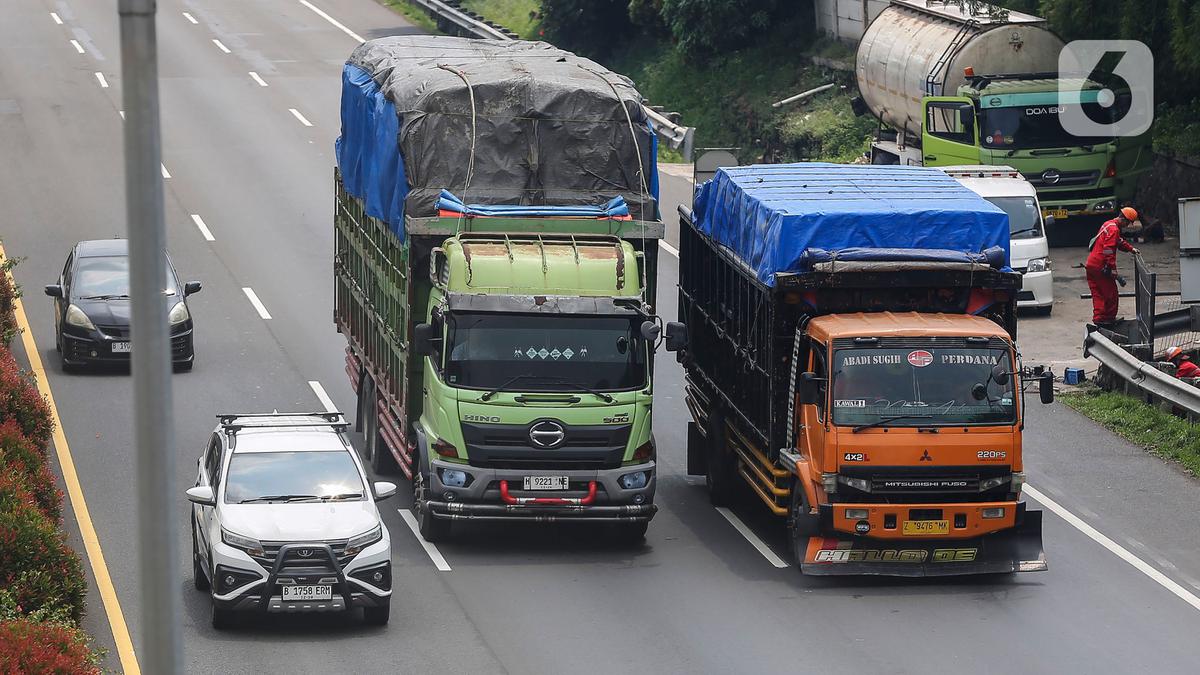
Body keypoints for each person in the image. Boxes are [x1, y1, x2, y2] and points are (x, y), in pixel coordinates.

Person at [1085, 207, 1140, 326]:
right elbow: (1108, 250)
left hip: (1091, 265)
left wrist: (1131, 249)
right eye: (1128, 223)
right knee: (1111, 294)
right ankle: (1109, 319)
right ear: (1125, 220)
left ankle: (1099, 319)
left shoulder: (1108, 224)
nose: (1127, 226)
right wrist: (1113, 269)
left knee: (1098, 294)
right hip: (1101, 266)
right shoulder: (1114, 229)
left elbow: (1118, 241)